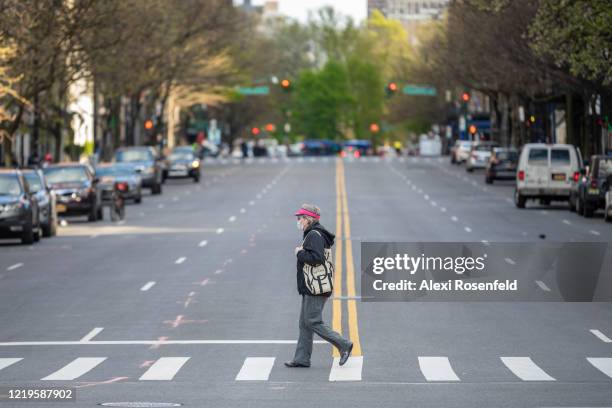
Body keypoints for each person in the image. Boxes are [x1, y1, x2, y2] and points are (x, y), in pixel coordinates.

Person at [285, 204, 353, 368]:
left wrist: (299, 253)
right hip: (312, 286)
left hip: (316, 287)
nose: (298, 221)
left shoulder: (314, 235)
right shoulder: (313, 233)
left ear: (308, 219)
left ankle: (343, 344)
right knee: (304, 323)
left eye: (300, 218)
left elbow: (316, 258)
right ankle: (302, 358)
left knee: (313, 321)